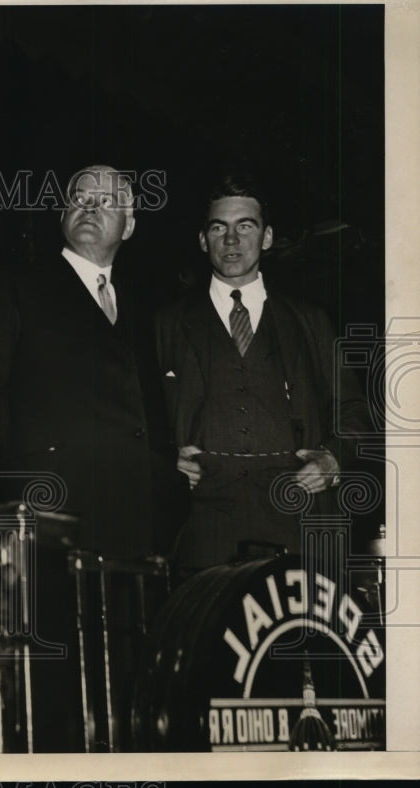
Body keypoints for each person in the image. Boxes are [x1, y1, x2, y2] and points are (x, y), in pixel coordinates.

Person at [0, 166, 184, 752]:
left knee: (126, 697)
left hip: (133, 534)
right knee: (54, 699)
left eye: (107, 200)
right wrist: (18, 505)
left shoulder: (145, 310)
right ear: (63, 216)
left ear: (130, 224)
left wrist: (164, 478)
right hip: (49, 532)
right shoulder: (16, 287)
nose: (90, 206)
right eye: (79, 198)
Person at [155, 174, 369, 573]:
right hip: (205, 519)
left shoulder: (310, 321)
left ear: (267, 238)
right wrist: (168, 460)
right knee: (211, 632)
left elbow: (354, 411)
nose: (231, 240)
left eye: (245, 226)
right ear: (203, 241)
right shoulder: (165, 324)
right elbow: (141, 422)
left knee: (297, 633)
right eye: (219, 228)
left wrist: (334, 461)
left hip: (297, 512)